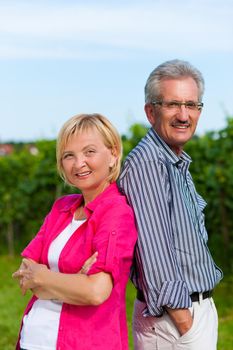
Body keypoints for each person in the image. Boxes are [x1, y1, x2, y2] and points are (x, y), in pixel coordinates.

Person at [118, 59, 223, 350]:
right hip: (174, 323)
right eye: (172, 104)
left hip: (188, 316)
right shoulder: (150, 164)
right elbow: (155, 253)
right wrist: (186, 324)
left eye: (192, 105)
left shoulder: (172, 160)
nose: (183, 115)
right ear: (151, 112)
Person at [13, 113, 137, 350]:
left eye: (89, 152)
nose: (78, 163)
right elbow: (25, 274)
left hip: (83, 343)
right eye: (69, 155)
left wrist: (43, 276)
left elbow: (96, 292)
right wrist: (75, 280)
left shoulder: (116, 213)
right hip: (32, 340)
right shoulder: (62, 207)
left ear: (113, 154)